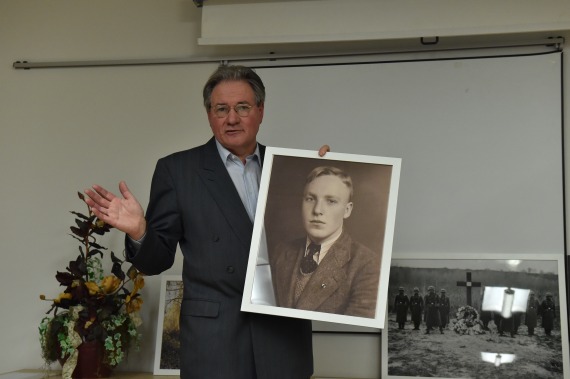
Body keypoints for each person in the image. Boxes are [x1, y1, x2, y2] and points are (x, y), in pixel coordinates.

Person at [84, 65, 330, 379]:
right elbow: (157, 260)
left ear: (260, 110)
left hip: (283, 339)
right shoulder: (178, 171)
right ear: (208, 113)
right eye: (221, 109)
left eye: (242, 107)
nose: (232, 118)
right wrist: (139, 231)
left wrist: (332, 171)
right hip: (216, 342)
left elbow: (318, 244)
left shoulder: (294, 171)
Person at [269, 166, 380, 318]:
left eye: (331, 201)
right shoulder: (281, 252)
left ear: (347, 210)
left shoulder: (367, 265)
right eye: (310, 199)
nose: (317, 210)